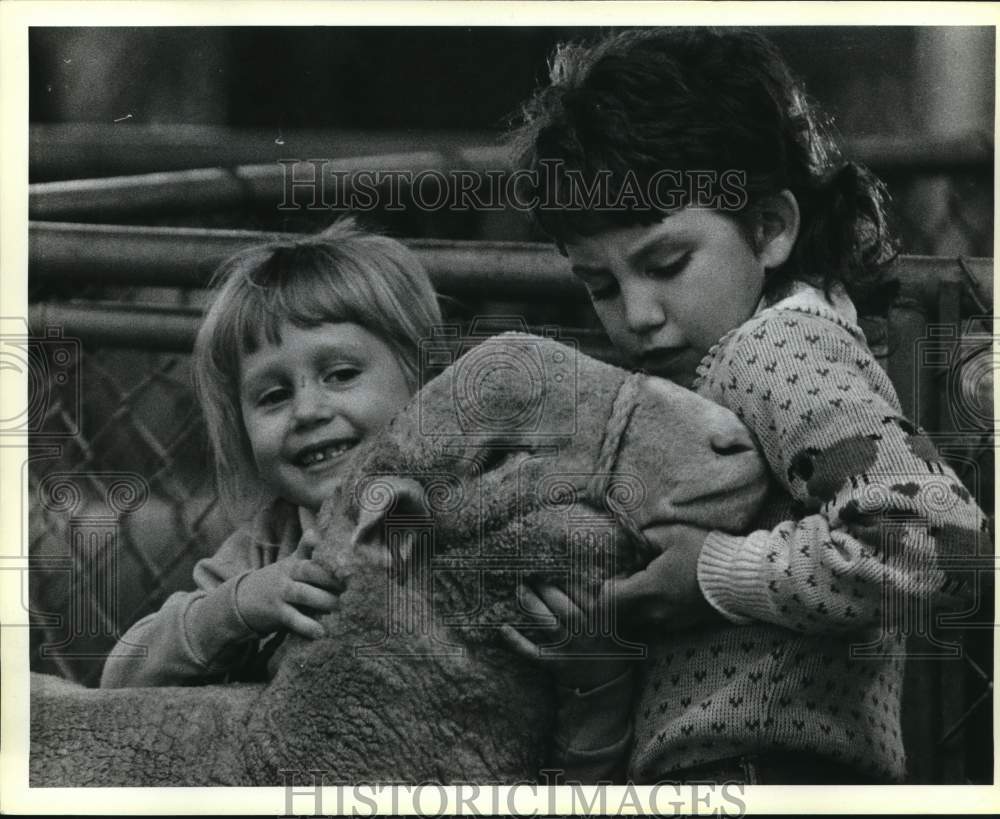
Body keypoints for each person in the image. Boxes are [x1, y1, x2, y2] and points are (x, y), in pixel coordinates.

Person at [503, 27, 987, 784]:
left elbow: (937, 536)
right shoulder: (722, 360)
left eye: (667, 263)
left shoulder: (777, 349)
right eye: (600, 285)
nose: (637, 315)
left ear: (769, 228)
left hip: (775, 771)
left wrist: (715, 574)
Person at [101, 219, 442, 687]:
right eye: (274, 395)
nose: (306, 411)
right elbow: (120, 678)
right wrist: (237, 608)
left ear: (420, 379)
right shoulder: (270, 544)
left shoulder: (464, 508)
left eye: (340, 374)